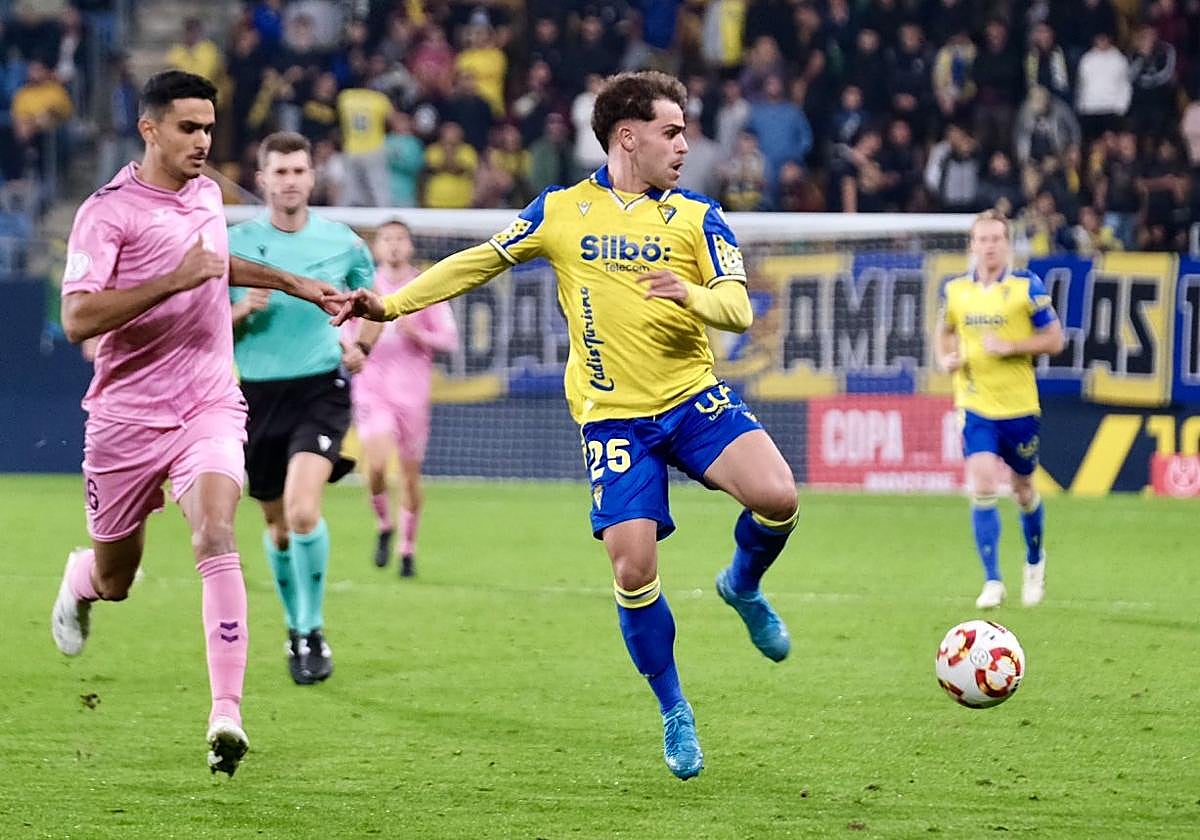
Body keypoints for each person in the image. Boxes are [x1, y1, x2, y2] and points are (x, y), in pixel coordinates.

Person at [329, 71, 798, 781]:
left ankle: (741, 584)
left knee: (779, 498)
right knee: (634, 568)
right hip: (613, 420)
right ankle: (674, 707)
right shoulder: (561, 211)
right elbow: (478, 261)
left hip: (692, 398)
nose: (684, 145)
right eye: (672, 132)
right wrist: (388, 307)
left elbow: (739, 308)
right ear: (627, 137)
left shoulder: (700, 216)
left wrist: (693, 294)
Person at [50, 71, 338, 777]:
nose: (203, 141)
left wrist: (294, 283)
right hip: (124, 417)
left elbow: (214, 265)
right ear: (150, 130)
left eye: (209, 127)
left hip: (207, 402)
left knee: (215, 529)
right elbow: (78, 317)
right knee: (119, 577)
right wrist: (173, 281)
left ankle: (226, 715)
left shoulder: (208, 192)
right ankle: (82, 580)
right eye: (188, 127)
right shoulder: (106, 212)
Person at [228, 131, 381, 685]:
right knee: (276, 524)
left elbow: (375, 303)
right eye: (280, 171)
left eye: (299, 170)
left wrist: (360, 345)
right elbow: (200, 327)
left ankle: (313, 630)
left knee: (300, 509)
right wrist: (243, 309)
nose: (290, 180)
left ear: (312, 177)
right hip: (255, 396)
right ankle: (295, 628)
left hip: (320, 388)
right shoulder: (234, 244)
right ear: (262, 177)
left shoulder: (342, 243)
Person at [935, 210, 1066, 610]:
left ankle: (1034, 560)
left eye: (996, 239)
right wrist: (946, 359)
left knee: (1024, 491)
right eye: (982, 239)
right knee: (983, 484)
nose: (989, 246)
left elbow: (1055, 339)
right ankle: (993, 580)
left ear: (1007, 244)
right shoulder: (956, 290)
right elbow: (944, 330)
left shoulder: (1027, 287)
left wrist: (1011, 347)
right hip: (975, 405)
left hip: (1020, 408)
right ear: (972, 246)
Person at [346, 220, 458, 576]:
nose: (394, 246)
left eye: (400, 239)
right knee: (376, 465)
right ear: (376, 247)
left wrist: (418, 334)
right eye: (387, 239)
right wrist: (351, 350)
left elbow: (449, 340)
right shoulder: (364, 288)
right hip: (372, 391)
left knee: (410, 476)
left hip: (412, 396)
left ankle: (407, 550)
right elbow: (345, 333)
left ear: (410, 246)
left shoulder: (425, 288)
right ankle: (384, 524)